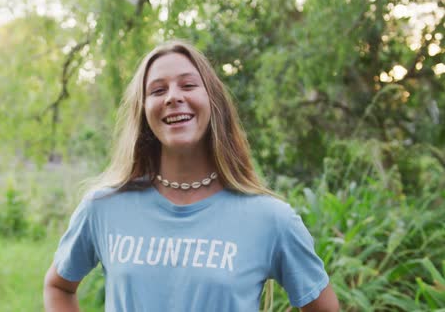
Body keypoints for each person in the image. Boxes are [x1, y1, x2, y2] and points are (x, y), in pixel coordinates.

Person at [43, 40, 340, 311]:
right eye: (158, 90)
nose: (173, 97)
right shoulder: (104, 207)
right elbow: (58, 286)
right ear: (143, 111)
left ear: (213, 102)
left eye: (187, 85)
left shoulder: (271, 219)